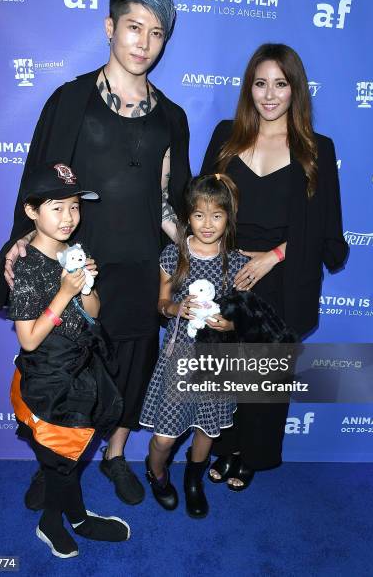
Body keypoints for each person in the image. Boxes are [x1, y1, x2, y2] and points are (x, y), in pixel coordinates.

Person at [0, 0, 191, 508]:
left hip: (141, 269)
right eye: (134, 27)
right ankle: (57, 462)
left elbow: (169, 200)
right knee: (65, 368)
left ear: (164, 43)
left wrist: (197, 252)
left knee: (132, 366)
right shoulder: (70, 100)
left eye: (156, 32)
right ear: (109, 28)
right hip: (77, 270)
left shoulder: (172, 118)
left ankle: (116, 455)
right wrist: (23, 242)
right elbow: (39, 185)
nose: (143, 41)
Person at [200, 43, 348, 490]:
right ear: (249, 89)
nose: (269, 94)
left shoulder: (316, 149)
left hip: (284, 276)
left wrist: (275, 256)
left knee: (263, 378)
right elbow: (202, 205)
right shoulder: (226, 136)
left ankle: (252, 454)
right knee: (224, 370)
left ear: (295, 90)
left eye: (280, 85)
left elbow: (327, 228)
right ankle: (223, 447)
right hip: (226, 274)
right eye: (260, 83)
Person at [7, 161, 130, 558]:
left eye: (74, 206)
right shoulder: (26, 266)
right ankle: (51, 523)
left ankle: (76, 517)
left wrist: (85, 285)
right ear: (32, 211)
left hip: (82, 371)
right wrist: (63, 292)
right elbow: (27, 340)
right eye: (56, 207)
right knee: (61, 460)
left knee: (68, 458)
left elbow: (93, 311)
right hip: (48, 380)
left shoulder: (74, 252)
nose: (68, 217)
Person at [139, 174, 249, 518]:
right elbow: (160, 304)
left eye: (216, 215)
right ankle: (156, 472)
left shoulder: (238, 263)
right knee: (165, 438)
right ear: (188, 216)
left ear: (228, 218)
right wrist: (177, 308)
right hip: (179, 361)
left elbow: (242, 315)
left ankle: (193, 480)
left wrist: (230, 323)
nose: (207, 224)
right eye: (199, 215)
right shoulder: (174, 255)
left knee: (206, 430)